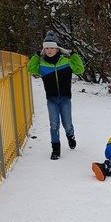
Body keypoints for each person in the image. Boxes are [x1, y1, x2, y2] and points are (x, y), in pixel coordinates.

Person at [27, 31, 85, 160]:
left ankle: (70, 136)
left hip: (65, 98)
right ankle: (55, 149)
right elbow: (31, 69)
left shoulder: (66, 62)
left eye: (52, 47)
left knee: (67, 124)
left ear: (57, 48)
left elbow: (80, 69)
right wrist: (36, 56)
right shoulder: (42, 64)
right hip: (51, 99)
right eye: (46, 48)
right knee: (54, 125)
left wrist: (74, 55)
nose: (49, 50)